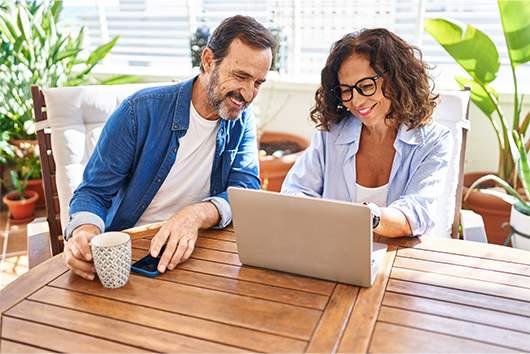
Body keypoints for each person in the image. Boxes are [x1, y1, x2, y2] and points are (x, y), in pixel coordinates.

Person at [64, 15, 277, 280]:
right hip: (132, 254)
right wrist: (84, 231)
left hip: (199, 249)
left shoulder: (240, 116)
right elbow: (94, 191)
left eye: (257, 83)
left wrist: (196, 214)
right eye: (241, 76)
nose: (247, 94)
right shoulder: (139, 111)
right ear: (209, 61)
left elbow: (245, 189)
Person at [281, 28, 453, 237]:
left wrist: (369, 216)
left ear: (396, 78)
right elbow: (295, 191)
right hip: (333, 252)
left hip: (398, 256)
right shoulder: (331, 135)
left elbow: (417, 213)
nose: (356, 101)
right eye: (346, 90)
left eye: (365, 85)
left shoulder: (433, 141)